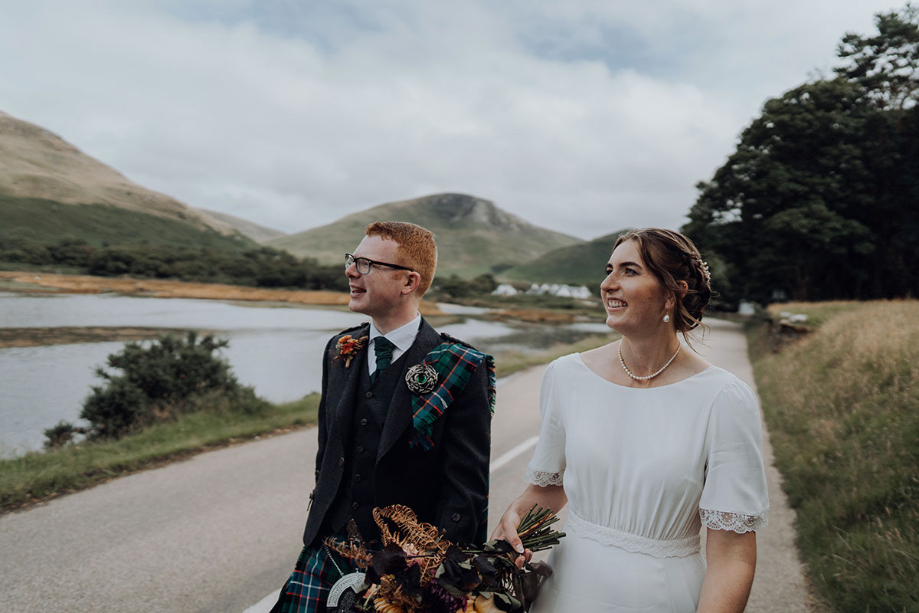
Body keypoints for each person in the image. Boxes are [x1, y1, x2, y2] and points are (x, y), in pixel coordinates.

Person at [493, 228, 769, 613]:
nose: (608, 284)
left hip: (662, 595)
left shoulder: (724, 399)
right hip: (563, 591)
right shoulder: (566, 376)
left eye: (629, 271)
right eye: (609, 270)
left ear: (673, 291)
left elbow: (733, 553)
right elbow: (547, 489)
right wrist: (514, 520)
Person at [271, 221, 495, 613]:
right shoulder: (341, 350)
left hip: (405, 571)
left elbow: (466, 488)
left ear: (408, 282)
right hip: (329, 549)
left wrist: (434, 571)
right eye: (351, 260)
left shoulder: (461, 365)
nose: (351, 271)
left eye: (366, 264)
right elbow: (329, 452)